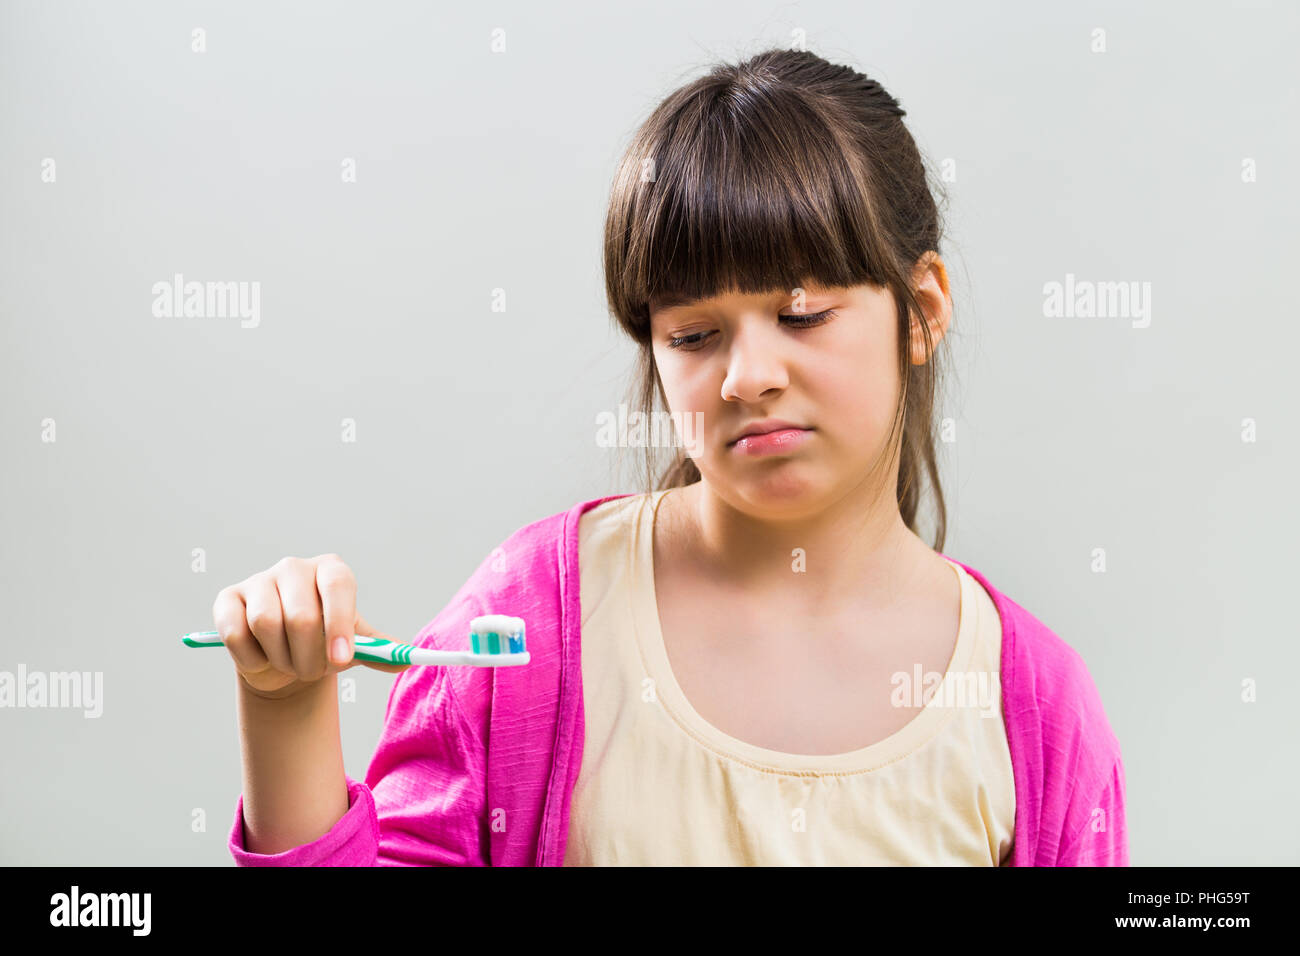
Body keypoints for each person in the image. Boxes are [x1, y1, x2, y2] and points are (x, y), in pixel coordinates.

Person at [214, 47, 1127, 866]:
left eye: (802, 313)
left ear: (922, 308)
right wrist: (287, 708)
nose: (748, 376)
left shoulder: (1037, 711)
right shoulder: (533, 622)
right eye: (694, 333)